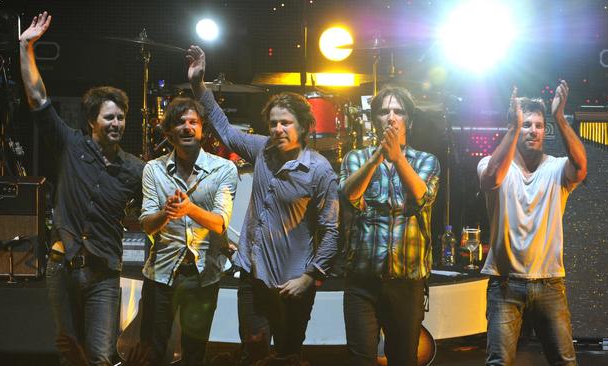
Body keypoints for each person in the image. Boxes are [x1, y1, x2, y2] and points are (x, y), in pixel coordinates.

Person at [186, 45, 339, 364]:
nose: (278, 129)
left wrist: (309, 278)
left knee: (286, 356)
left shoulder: (320, 171)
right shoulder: (262, 150)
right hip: (253, 277)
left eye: (286, 123)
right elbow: (226, 131)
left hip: (292, 283)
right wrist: (199, 86)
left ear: (304, 126)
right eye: (273, 123)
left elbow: (331, 232)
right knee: (254, 348)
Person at [19, 12, 144, 365]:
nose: (117, 123)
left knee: (101, 356)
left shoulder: (134, 168)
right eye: (109, 117)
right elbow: (37, 99)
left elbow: (149, 212)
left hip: (103, 274)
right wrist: (26, 46)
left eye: (121, 117)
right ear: (92, 121)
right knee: (69, 354)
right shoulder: (71, 146)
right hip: (62, 268)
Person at [477, 82, 587, 366]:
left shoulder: (556, 168)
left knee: (565, 361)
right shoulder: (492, 163)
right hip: (504, 283)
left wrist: (560, 118)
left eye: (539, 125)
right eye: (526, 124)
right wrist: (513, 129)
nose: (533, 130)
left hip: (549, 282)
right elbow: (492, 178)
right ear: (514, 126)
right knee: (498, 361)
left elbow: (581, 167)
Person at [339, 86, 440, 366]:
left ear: (409, 120)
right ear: (375, 120)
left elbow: (421, 196)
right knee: (360, 359)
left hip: (406, 283)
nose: (391, 117)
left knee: (403, 360)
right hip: (362, 281)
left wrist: (398, 158)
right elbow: (348, 195)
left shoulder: (426, 161)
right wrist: (377, 158)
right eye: (384, 111)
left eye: (399, 111)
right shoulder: (356, 158)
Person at [138, 97, 238, 366]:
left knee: (195, 354)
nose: (187, 127)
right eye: (180, 122)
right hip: (161, 274)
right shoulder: (153, 169)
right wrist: (166, 212)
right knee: (152, 352)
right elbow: (146, 223)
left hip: (202, 276)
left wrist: (189, 209)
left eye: (193, 122)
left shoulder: (223, 169)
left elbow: (220, 223)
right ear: (169, 132)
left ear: (202, 129)